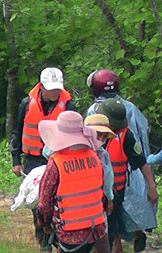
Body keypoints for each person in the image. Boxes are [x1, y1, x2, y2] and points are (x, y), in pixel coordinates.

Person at [85, 69, 156, 251]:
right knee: (109, 222)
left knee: (111, 220)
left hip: (116, 184)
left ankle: (117, 243)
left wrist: (152, 187)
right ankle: (118, 243)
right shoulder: (129, 108)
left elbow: (139, 158)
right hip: (105, 184)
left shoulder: (98, 113)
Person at [10, 67, 77, 251]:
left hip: (59, 161)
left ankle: (58, 239)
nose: (55, 92)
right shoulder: (26, 103)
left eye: (58, 89)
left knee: (59, 202)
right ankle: (43, 242)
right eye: (51, 89)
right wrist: (16, 160)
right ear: (41, 86)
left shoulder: (69, 106)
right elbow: (17, 132)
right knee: (38, 204)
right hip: (33, 161)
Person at [36, 111, 109, 253]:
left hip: (71, 232)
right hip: (97, 227)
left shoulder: (56, 163)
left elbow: (45, 202)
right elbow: (100, 191)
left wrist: (45, 224)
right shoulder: (94, 157)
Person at [98, 99, 158, 253]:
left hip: (115, 193)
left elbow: (141, 162)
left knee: (109, 228)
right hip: (92, 192)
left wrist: (151, 186)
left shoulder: (126, 136)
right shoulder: (90, 131)